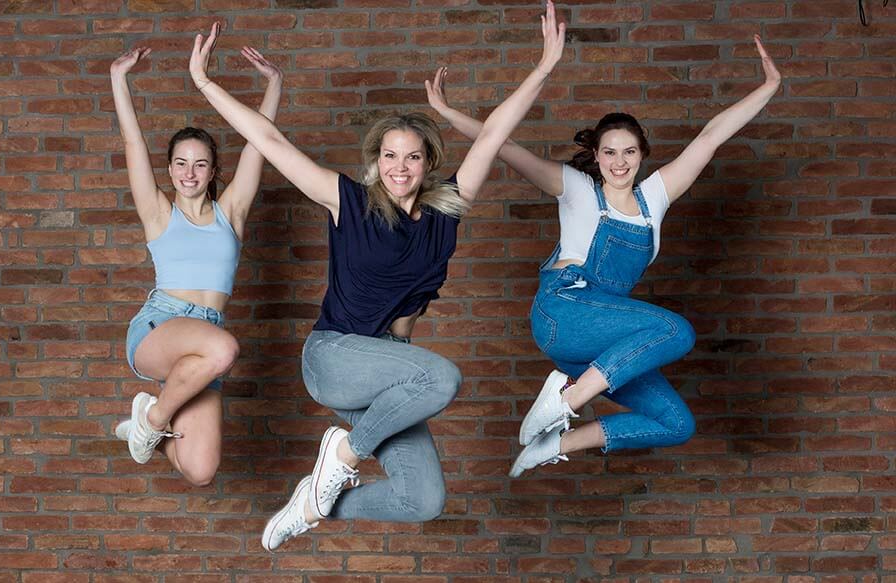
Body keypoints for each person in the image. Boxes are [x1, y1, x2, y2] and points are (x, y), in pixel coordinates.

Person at [188, 3, 565, 550]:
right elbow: (270, 143)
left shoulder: (446, 213)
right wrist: (203, 83)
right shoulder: (349, 203)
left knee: (422, 500)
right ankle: (341, 456)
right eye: (390, 155)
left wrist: (544, 67)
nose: (400, 167)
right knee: (441, 379)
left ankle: (316, 501)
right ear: (377, 160)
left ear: (427, 163)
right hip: (335, 356)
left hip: (387, 377)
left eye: (412, 157)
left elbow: (492, 138)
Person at [427, 35, 781, 477]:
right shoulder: (577, 189)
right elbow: (501, 144)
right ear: (596, 156)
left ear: (642, 155)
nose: (619, 161)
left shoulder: (655, 199)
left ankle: (557, 442)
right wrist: (446, 113)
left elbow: (710, 137)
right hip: (562, 312)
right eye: (609, 152)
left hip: (599, 351)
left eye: (629, 151)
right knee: (675, 329)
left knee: (676, 423)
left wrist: (768, 87)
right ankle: (566, 400)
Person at [110, 43, 283, 485]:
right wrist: (118, 77)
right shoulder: (158, 213)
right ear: (168, 170)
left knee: (200, 470)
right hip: (161, 326)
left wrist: (275, 85)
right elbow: (133, 141)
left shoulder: (232, 214)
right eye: (181, 164)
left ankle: (148, 422)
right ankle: (153, 420)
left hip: (203, 348)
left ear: (212, 171)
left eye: (200, 164)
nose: (189, 173)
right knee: (224, 348)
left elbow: (260, 145)